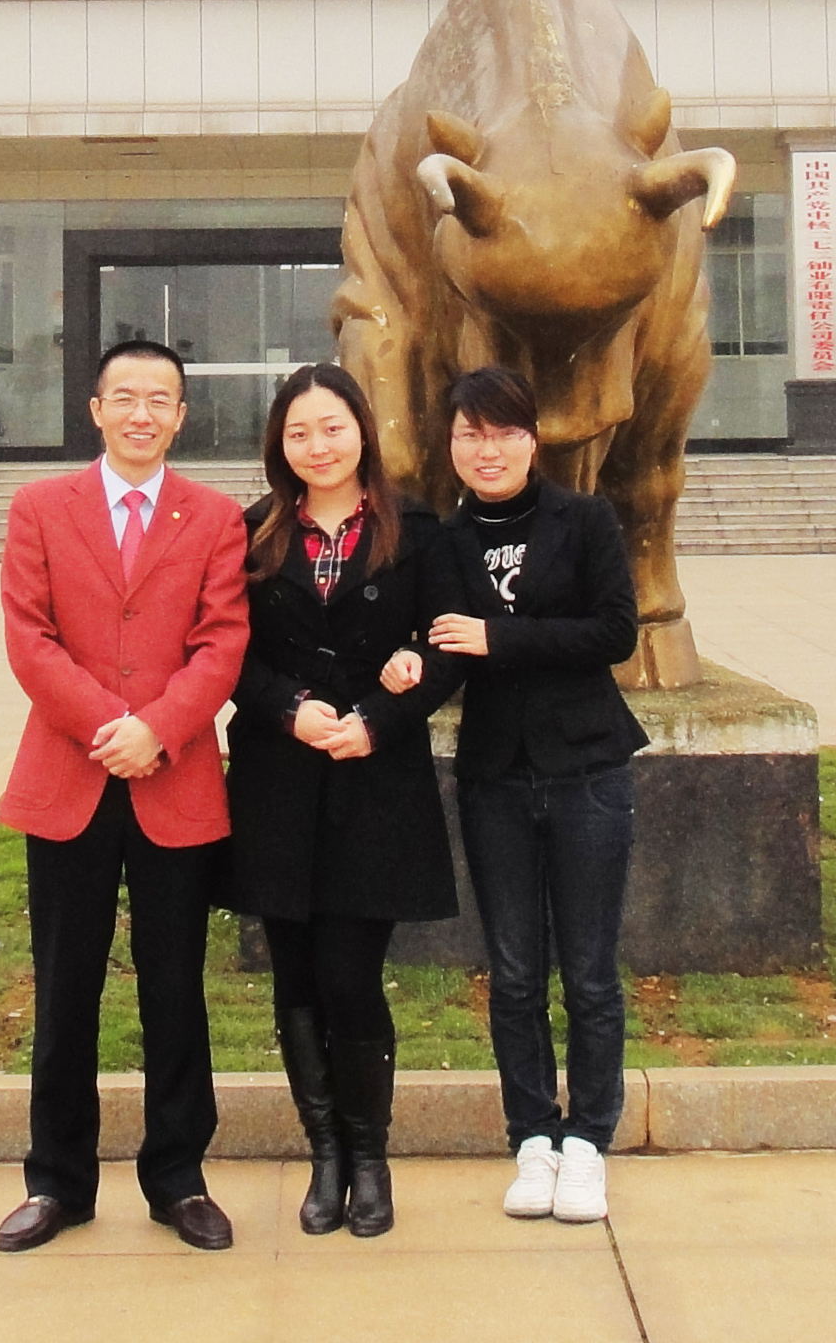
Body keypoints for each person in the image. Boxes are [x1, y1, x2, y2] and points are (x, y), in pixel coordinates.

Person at [0, 341, 250, 1254]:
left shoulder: (215, 518)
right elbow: (30, 639)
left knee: (176, 989)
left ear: (181, 417)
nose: (143, 414)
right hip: (72, 775)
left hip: (173, 779)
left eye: (161, 400)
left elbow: (222, 643)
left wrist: (160, 731)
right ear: (96, 409)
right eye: (126, 398)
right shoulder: (40, 508)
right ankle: (57, 1182)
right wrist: (113, 727)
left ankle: (179, 1179)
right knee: (65, 988)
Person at [225, 364, 456, 1240]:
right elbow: (226, 651)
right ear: (278, 445)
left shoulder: (416, 530)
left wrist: (383, 716)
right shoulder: (253, 534)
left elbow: (447, 647)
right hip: (278, 780)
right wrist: (286, 708)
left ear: (362, 430)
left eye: (332, 428)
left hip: (374, 781)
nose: (317, 446)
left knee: (351, 976)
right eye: (299, 433)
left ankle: (370, 1158)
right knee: (294, 976)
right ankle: (324, 1155)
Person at [419, 364, 647, 1228]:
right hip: (495, 778)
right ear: (451, 444)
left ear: (533, 439)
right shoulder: (443, 542)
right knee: (513, 974)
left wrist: (500, 638)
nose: (488, 450)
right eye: (471, 435)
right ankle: (532, 1137)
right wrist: (402, 671)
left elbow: (614, 632)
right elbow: (442, 651)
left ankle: (588, 1140)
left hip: (587, 769)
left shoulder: (583, 520)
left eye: (504, 433)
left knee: (589, 972)